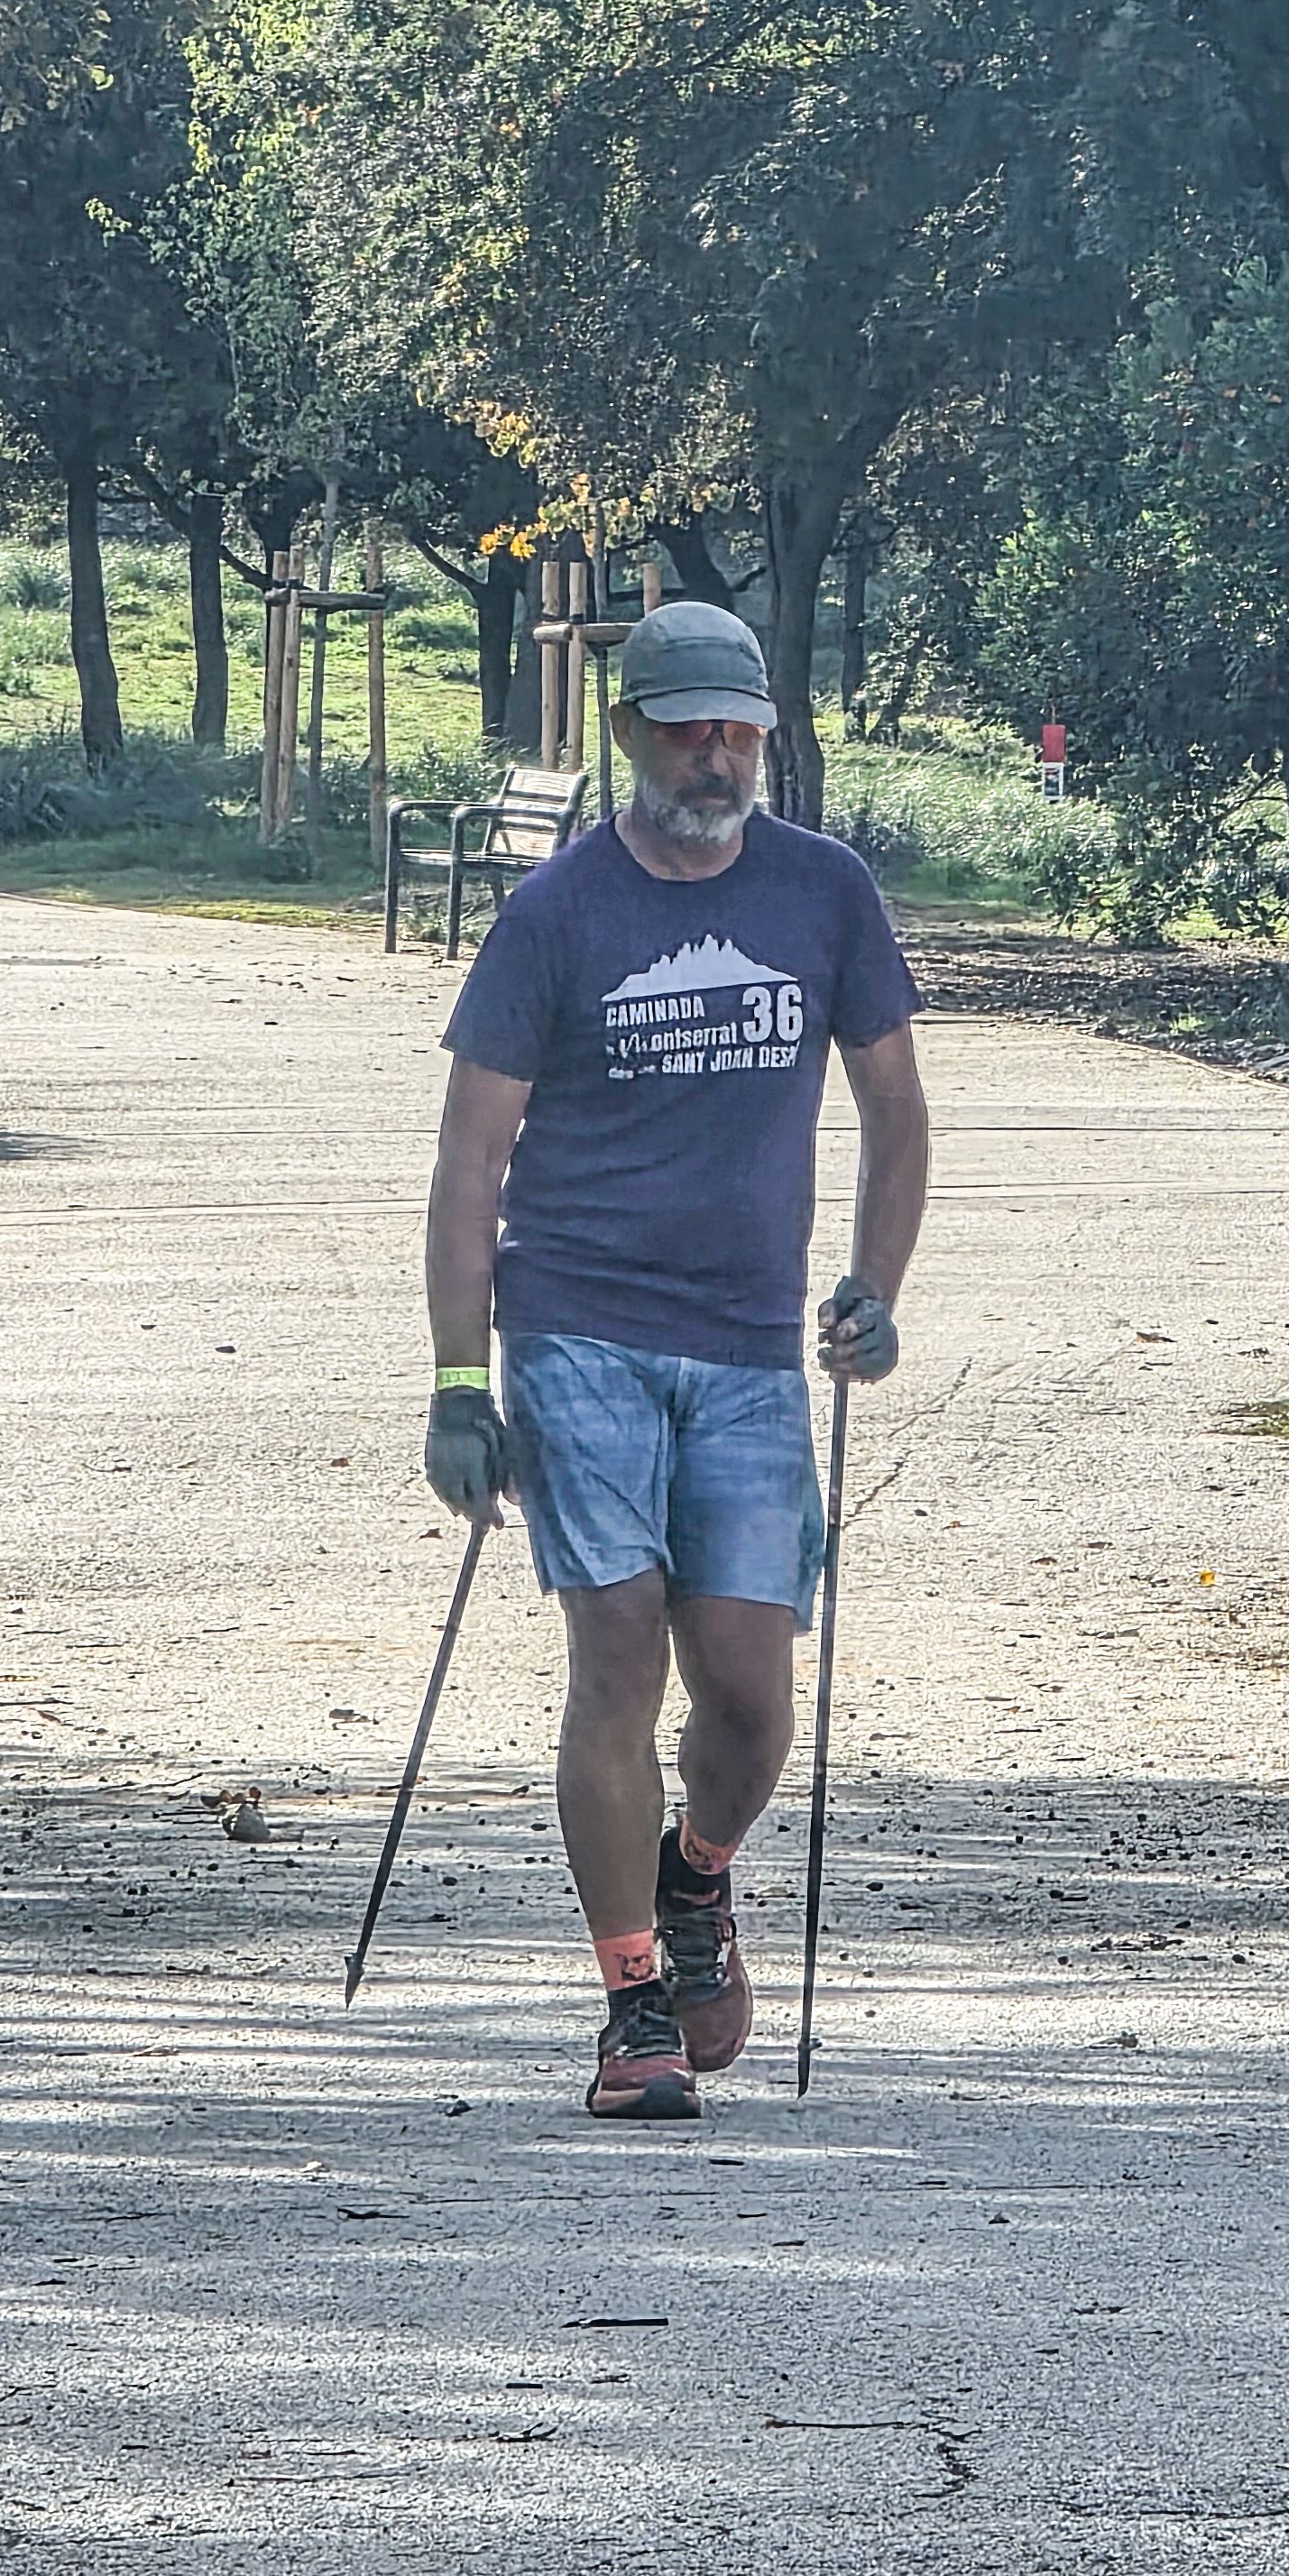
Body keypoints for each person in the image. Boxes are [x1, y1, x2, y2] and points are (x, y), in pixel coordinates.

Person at [419, 597, 930, 2120]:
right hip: (576, 1325)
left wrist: (874, 1292)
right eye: (689, 728)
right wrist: (459, 1379)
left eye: (741, 731)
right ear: (631, 730)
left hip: (750, 1346)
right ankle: (633, 1999)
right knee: (620, 1655)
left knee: (752, 1694)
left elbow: (898, 1114)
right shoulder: (558, 915)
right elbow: (469, 1159)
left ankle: (697, 1875)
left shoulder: (825, 894)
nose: (716, 757)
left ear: (768, 735)